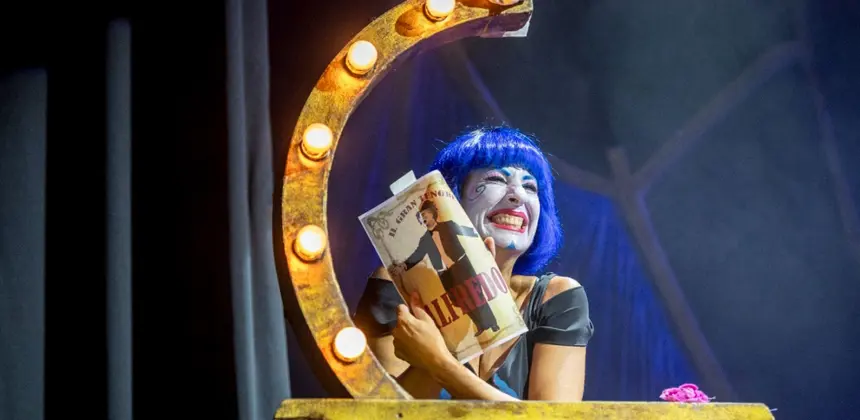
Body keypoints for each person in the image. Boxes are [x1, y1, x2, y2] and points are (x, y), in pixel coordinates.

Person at [353, 126, 594, 401]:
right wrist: (452, 313)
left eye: (530, 186)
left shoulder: (557, 298)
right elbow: (384, 411)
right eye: (496, 179)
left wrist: (438, 362)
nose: (518, 195)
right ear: (447, 199)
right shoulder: (397, 286)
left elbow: (555, 418)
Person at [391, 199, 500, 336]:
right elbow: (417, 255)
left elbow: (467, 231)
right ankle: (480, 325)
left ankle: (492, 322)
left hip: (461, 265)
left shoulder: (448, 225)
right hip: (445, 274)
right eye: (420, 216)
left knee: (476, 294)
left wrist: (481, 239)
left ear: (432, 214)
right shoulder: (425, 239)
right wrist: (403, 266)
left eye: (424, 214)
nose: (422, 218)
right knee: (461, 301)